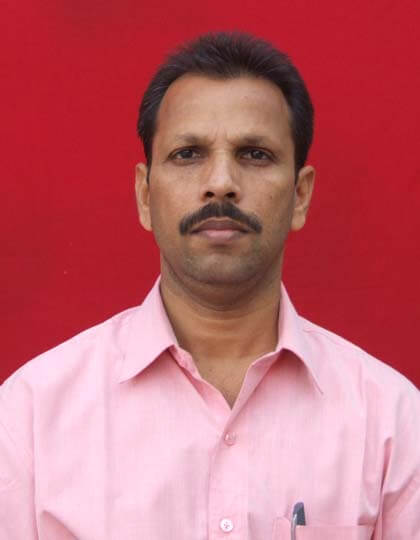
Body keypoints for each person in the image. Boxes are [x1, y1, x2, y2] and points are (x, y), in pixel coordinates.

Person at [0, 31, 419, 540]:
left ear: (301, 195)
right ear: (145, 195)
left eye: (255, 154)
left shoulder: (392, 424)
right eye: (188, 154)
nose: (221, 182)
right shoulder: (29, 418)